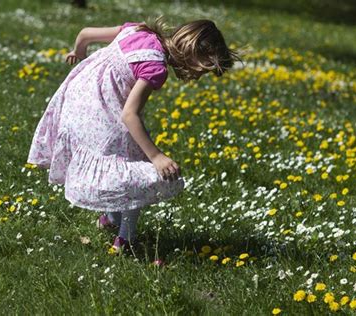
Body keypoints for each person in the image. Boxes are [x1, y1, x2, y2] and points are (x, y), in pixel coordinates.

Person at [27, 16, 241, 254]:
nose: (197, 76)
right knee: (136, 168)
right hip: (99, 112)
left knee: (123, 157)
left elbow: (86, 32)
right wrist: (157, 156)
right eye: (201, 70)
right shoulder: (155, 68)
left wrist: (78, 51)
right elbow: (130, 115)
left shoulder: (138, 31)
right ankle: (125, 240)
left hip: (76, 101)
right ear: (192, 49)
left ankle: (109, 217)